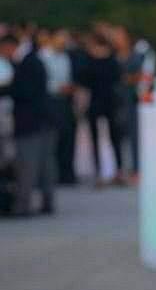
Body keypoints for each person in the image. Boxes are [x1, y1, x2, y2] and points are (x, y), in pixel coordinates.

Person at [1, 34, 55, 214]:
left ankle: (22, 205)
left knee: (26, 164)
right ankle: (47, 201)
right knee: (45, 164)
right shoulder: (34, 60)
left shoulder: (27, 64)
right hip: (44, 120)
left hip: (29, 122)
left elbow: (22, 91)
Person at [81, 31, 125, 186]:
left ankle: (100, 172)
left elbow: (84, 81)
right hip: (110, 100)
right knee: (114, 137)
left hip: (97, 101)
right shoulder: (112, 60)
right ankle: (117, 170)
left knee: (98, 138)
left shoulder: (89, 61)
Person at [114, 25, 155, 180]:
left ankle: (137, 169)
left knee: (135, 135)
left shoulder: (138, 54)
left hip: (132, 99)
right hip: (119, 100)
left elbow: (142, 76)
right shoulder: (116, 55)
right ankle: (122, 169)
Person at [38, 29, 77, 185]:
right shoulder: (43, 56)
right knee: (53, 138)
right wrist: (58, 88)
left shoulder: (65, 57)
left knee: (68, 136)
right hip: (50, 100)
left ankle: (66, 173)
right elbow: (42, 81)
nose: (64, 42)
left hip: (64, 101)